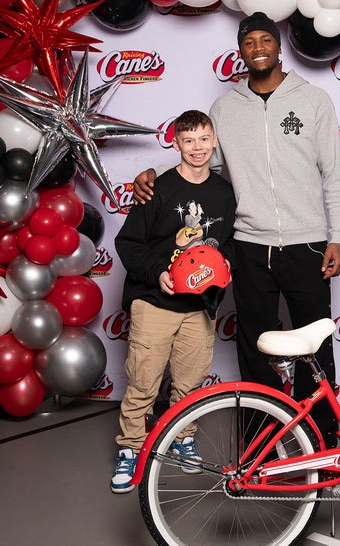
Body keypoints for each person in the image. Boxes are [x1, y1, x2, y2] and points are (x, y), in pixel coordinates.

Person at [132, 12, 340, 448]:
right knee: (254, 346)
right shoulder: (225, 108)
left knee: (315, 345)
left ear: (278, 45)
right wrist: (155, 173)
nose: (258, 48)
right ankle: (259, 442)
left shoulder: (313, 100)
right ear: (241, 51)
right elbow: (202, 166)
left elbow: (336, 175)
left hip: (307, 244)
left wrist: (338, 236)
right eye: (249, 42)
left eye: (265, 39)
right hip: (249, 246)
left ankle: (325, 440)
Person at [110, 110, 236, 493]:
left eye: (203, 139)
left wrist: (225, 260)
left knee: (190, 384)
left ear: (214, 141)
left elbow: (227, 242)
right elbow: (128, 243)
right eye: (188, 140)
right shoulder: (158, 188)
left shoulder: (224, 192)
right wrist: (157, 273)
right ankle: (130, 449)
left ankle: (183, 439)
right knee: (143, 382)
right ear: (176, 143)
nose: (196, 148)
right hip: (154, 302)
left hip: (200, 306)